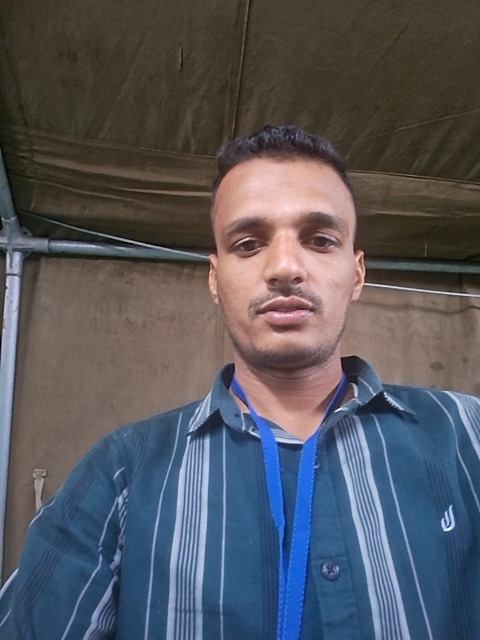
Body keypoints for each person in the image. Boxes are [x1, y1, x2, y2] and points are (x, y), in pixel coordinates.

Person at [1, 125, 479, 640]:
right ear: (214, 278)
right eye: (248, 244)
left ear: (357, 272)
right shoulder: (121, 470)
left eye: (320, 240)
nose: (285, 267)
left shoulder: (467, 435)